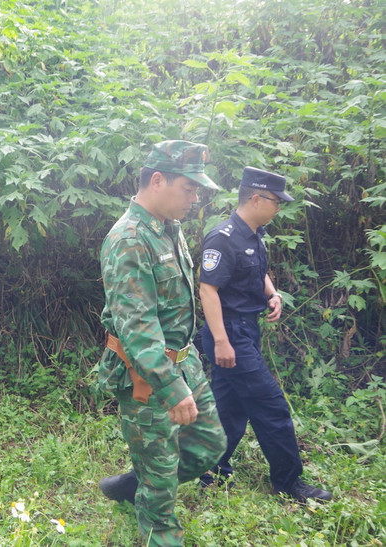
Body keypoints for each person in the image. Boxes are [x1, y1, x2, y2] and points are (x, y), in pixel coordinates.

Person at [96, 140, 227, 546]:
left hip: (182, 362)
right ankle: (152, 496)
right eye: (189, 189)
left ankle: (135, 482)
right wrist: (170, 387)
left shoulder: (169, 228)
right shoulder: (129, 239)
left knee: (209, 445)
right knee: (161, 486)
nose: (195, 198)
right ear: (157, 180)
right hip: (146, 374)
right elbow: (138, 328)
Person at [198, 167, 332, 502]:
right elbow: (208, 290)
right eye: (276, 201)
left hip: (245, 330)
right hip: (230, 333)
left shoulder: (253, 234)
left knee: (229, 408)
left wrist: (273, 294)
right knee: (271, 407)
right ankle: (289, 483)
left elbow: (258, 270)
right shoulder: (223, 238)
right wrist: (221, 341)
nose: (279, 208)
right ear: (255, 198)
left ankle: (212, 470)